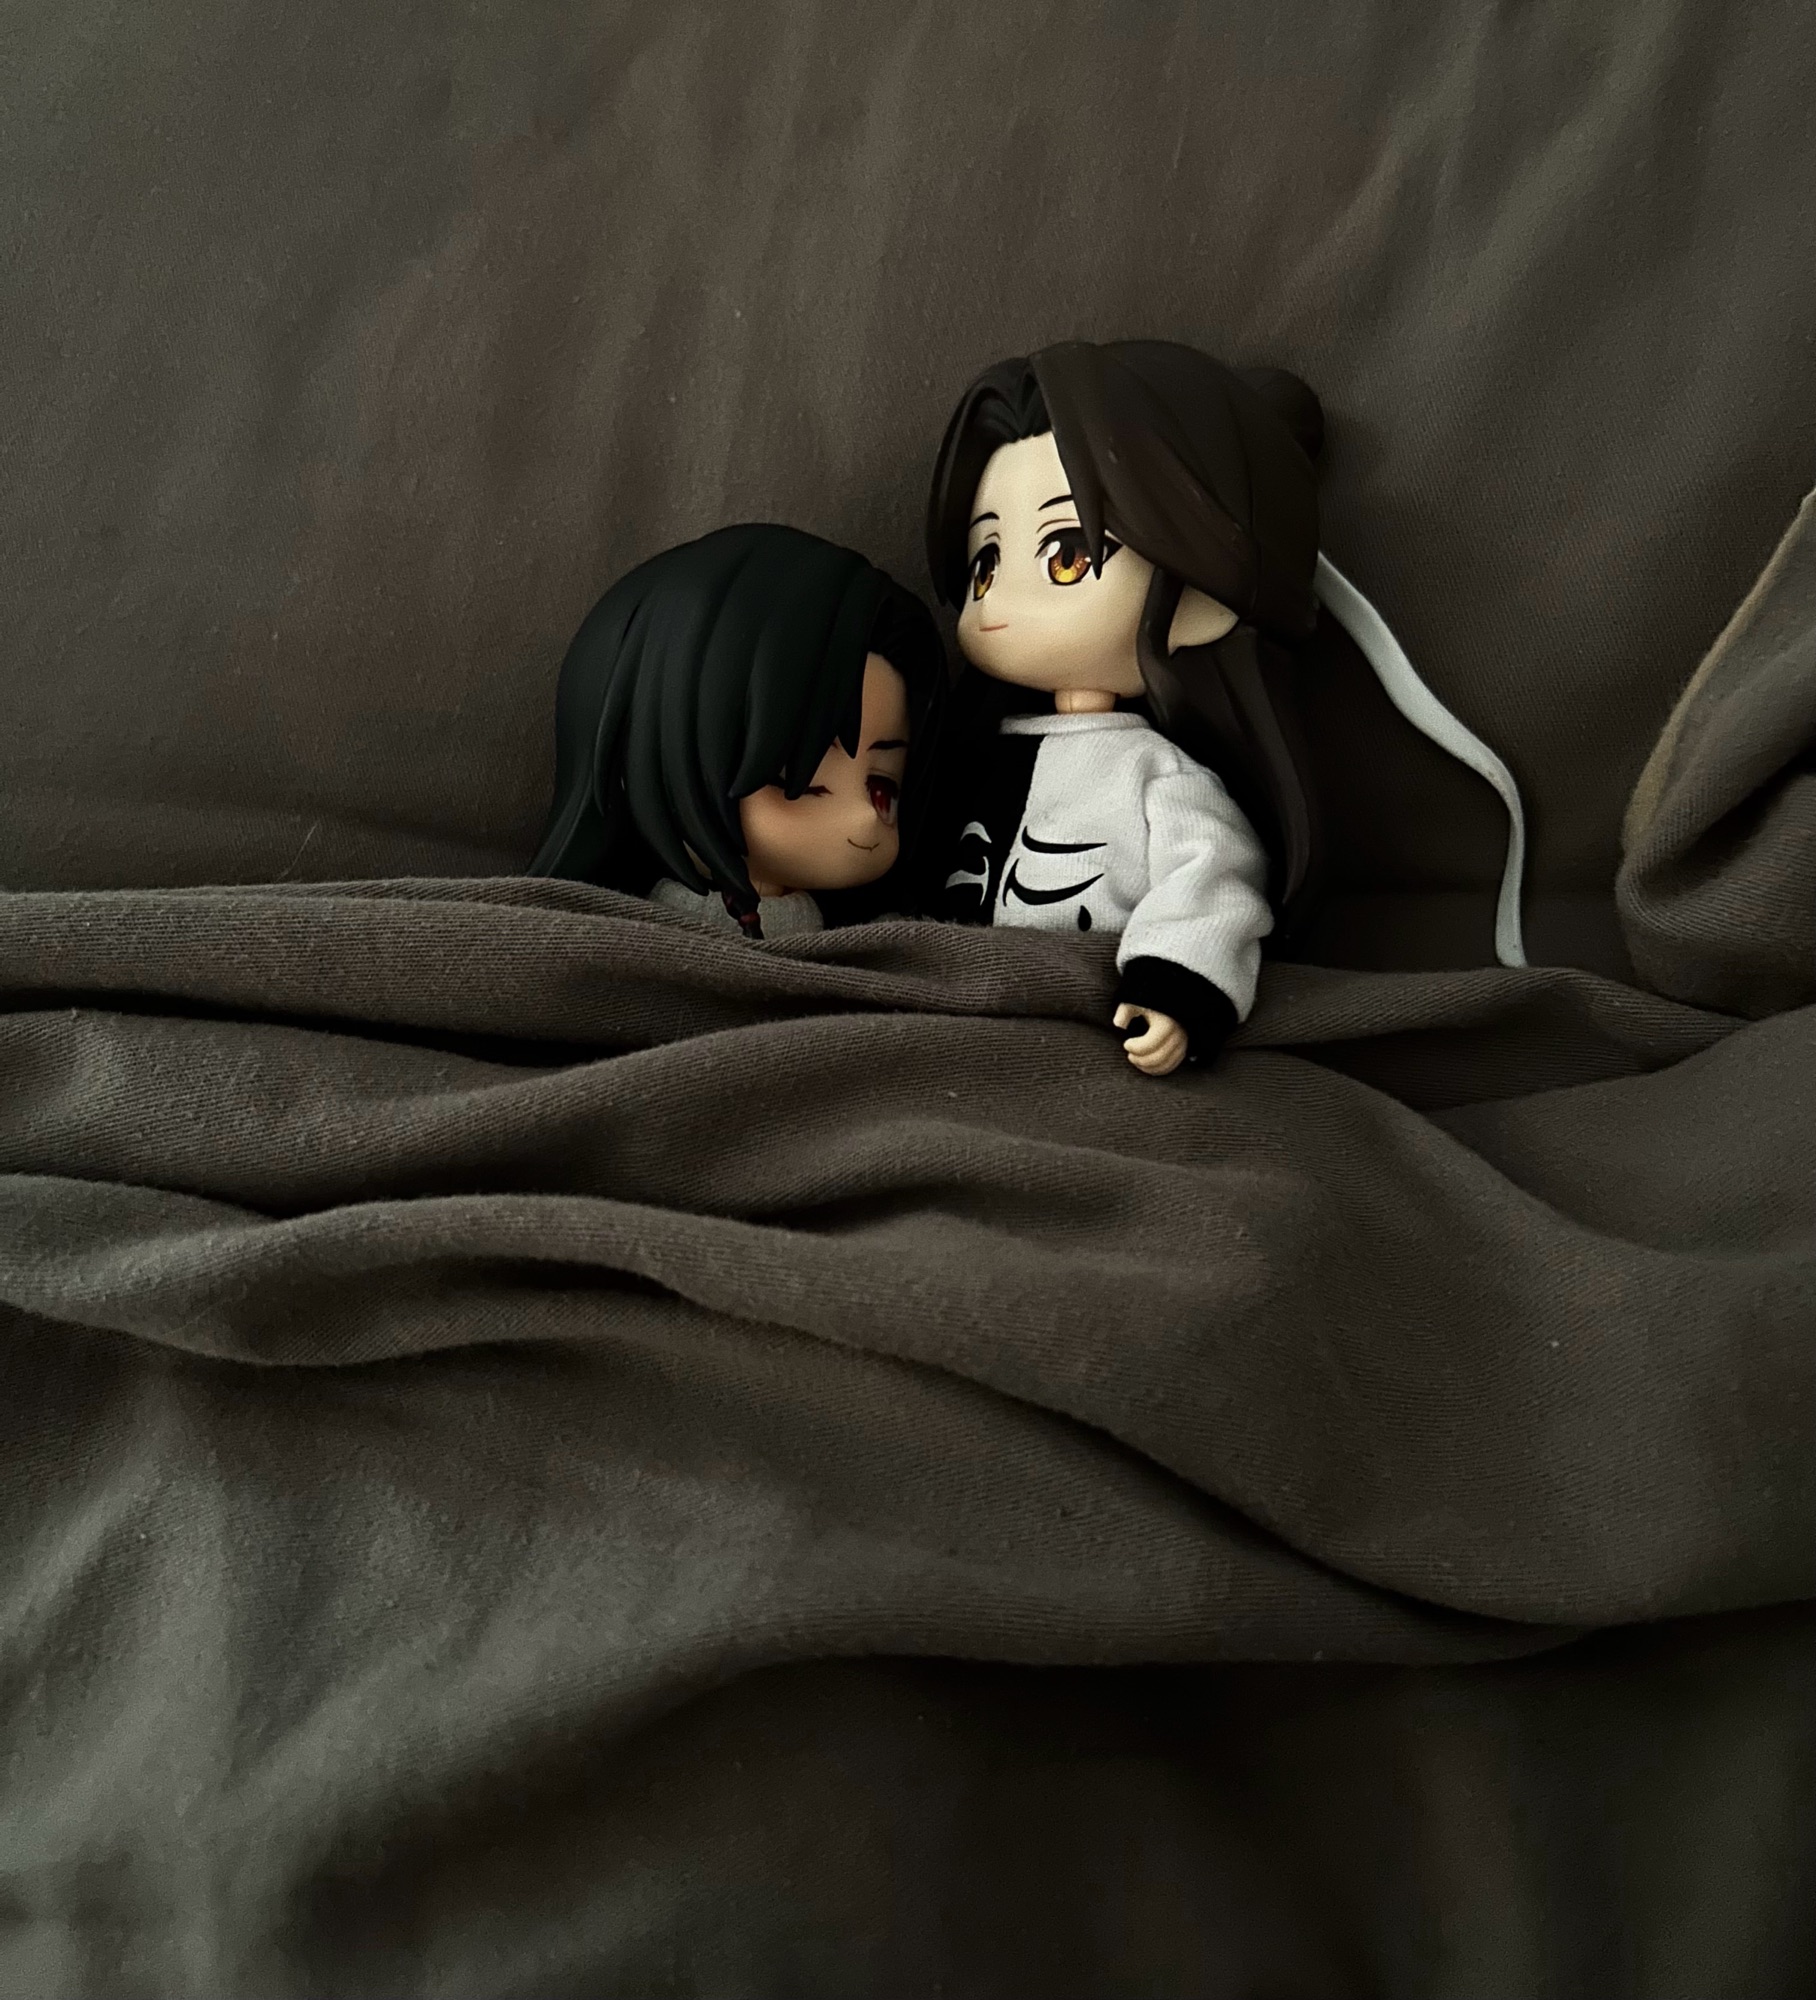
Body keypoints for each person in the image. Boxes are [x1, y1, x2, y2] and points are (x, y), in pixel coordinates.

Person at [529, 523, 945, 940]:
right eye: (801, 784)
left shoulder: (877, 941)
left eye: (883, 789)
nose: (866, 818)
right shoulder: (613, 936)